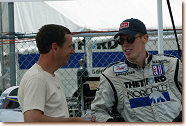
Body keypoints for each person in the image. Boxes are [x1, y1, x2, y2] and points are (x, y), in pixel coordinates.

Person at [91, 18, 182, 122]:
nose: (125, 44)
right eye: (121, 41)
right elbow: (97, 111)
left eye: (130, 39)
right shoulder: (111, 75)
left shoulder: (172, 64)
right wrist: (110, 122)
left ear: (145, 38)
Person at [18, 24, 95, 122]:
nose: (73, 51)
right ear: (55, 48)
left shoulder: (51, 76)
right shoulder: (37, 78)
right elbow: (32, 120)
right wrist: (75, 122)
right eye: (70, 46)